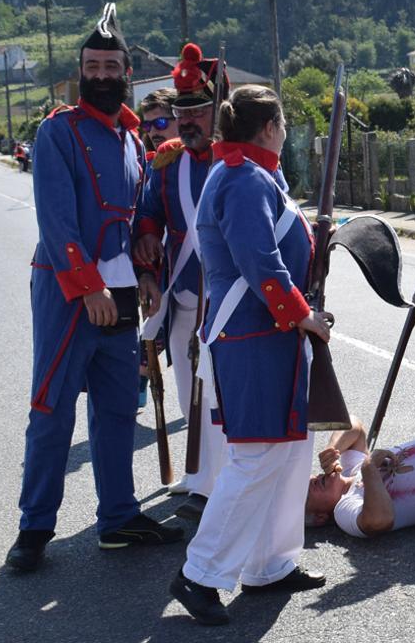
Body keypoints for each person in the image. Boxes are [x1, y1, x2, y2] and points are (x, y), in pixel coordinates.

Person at [6, 4, 184, 573]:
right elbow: (55, 220)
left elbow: (138, 219)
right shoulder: (56, 131)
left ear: (126, 71)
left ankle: (118, 518)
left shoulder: (134, 141)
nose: (102, 75)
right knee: (51, 410)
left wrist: (149, 270)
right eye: (93, 66)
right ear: (81, 70)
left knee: (114, 412)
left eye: (111, 66)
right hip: (68, 293)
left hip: (124, 294)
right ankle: (34, 528)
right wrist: (87, 288)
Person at [168, 86, 331, 627]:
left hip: (270, 335)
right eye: (283, 125)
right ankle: (200, 573)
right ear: (269, 128)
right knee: (256, 458)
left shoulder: (253, 174)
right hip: (254, 336)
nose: (285, 134)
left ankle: (269, 563)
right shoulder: (241, 179)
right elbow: (258, 259)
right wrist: (301, 312)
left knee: (287, 454)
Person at [135, 46, 229, 521]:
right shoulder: (167, 163)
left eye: (197, 111)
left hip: (228, 298)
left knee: (221, 391)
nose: (188, 121)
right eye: (182, 113)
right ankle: (200, 479)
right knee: (187, 383)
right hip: (183, 291)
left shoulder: (235, 158)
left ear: (217, 112)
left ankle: (224, 480)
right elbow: (147, 215)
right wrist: (148, 253)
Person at [133, 88, 180, 412]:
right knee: (154, 336)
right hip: (163, 269)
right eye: (146, 125)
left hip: (197, 272)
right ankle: (139, 382)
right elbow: (143, 218)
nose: (152, 131)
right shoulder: (150, 164)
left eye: (160, 121)